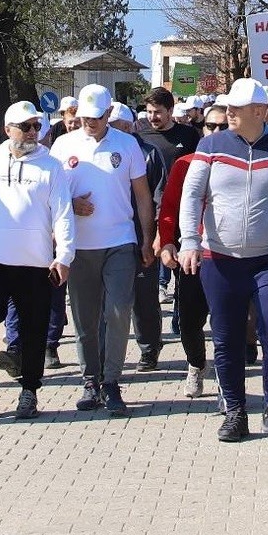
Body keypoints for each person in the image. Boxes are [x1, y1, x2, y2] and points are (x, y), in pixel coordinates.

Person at [179, 78, 268, 446]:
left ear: (259, 112)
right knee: (226, 338)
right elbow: (191, 196)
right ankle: (235, 412)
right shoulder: (210, 146)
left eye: (236, 108)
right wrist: (190, 241)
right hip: (220, 258)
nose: (228, 113)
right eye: (227, 107)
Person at [0, 101, 75, 419]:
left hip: (35, 263)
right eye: (26, 126)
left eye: (37, 126)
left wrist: (63, 256)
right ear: (8, 129)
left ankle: (29, 391)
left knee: (34, 329)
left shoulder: (51, 166)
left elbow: (63, 214)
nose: (33, 132)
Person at [50, 84, 155, 416]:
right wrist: (69, 204)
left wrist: (147, 237)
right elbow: (49, 195)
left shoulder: (127, 145)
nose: (90, 123)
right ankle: (90, 380)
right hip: (78, 247)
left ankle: (111, 381)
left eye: (96, 117)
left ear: (109, 113)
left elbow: (142, 196)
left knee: (119, 310)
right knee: (85, 318)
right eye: (85, 117)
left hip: (119, 242)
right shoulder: (63, 146)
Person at [156, 105, 228, 398]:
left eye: (223, 127)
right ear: (202, 129)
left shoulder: (242, 163)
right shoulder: (185, 163)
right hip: (192, 254)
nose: (216, 132)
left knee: (227, 321)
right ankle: (196, 364)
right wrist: (167, 242)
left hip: (229, 255)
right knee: (188, 320)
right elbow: (170, 208)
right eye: (211, 126)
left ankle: (227, 376)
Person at [107, 101, 167, 371]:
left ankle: (149, 348)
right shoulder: (94, 151)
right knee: (110, 300)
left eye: (118, 126)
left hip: (140, 235)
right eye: (110, 126)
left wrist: (153, 235)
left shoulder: (147, 153)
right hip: (109, 238)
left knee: (144, 298)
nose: (112, 131)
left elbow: (158, 197)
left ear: (130, 126)